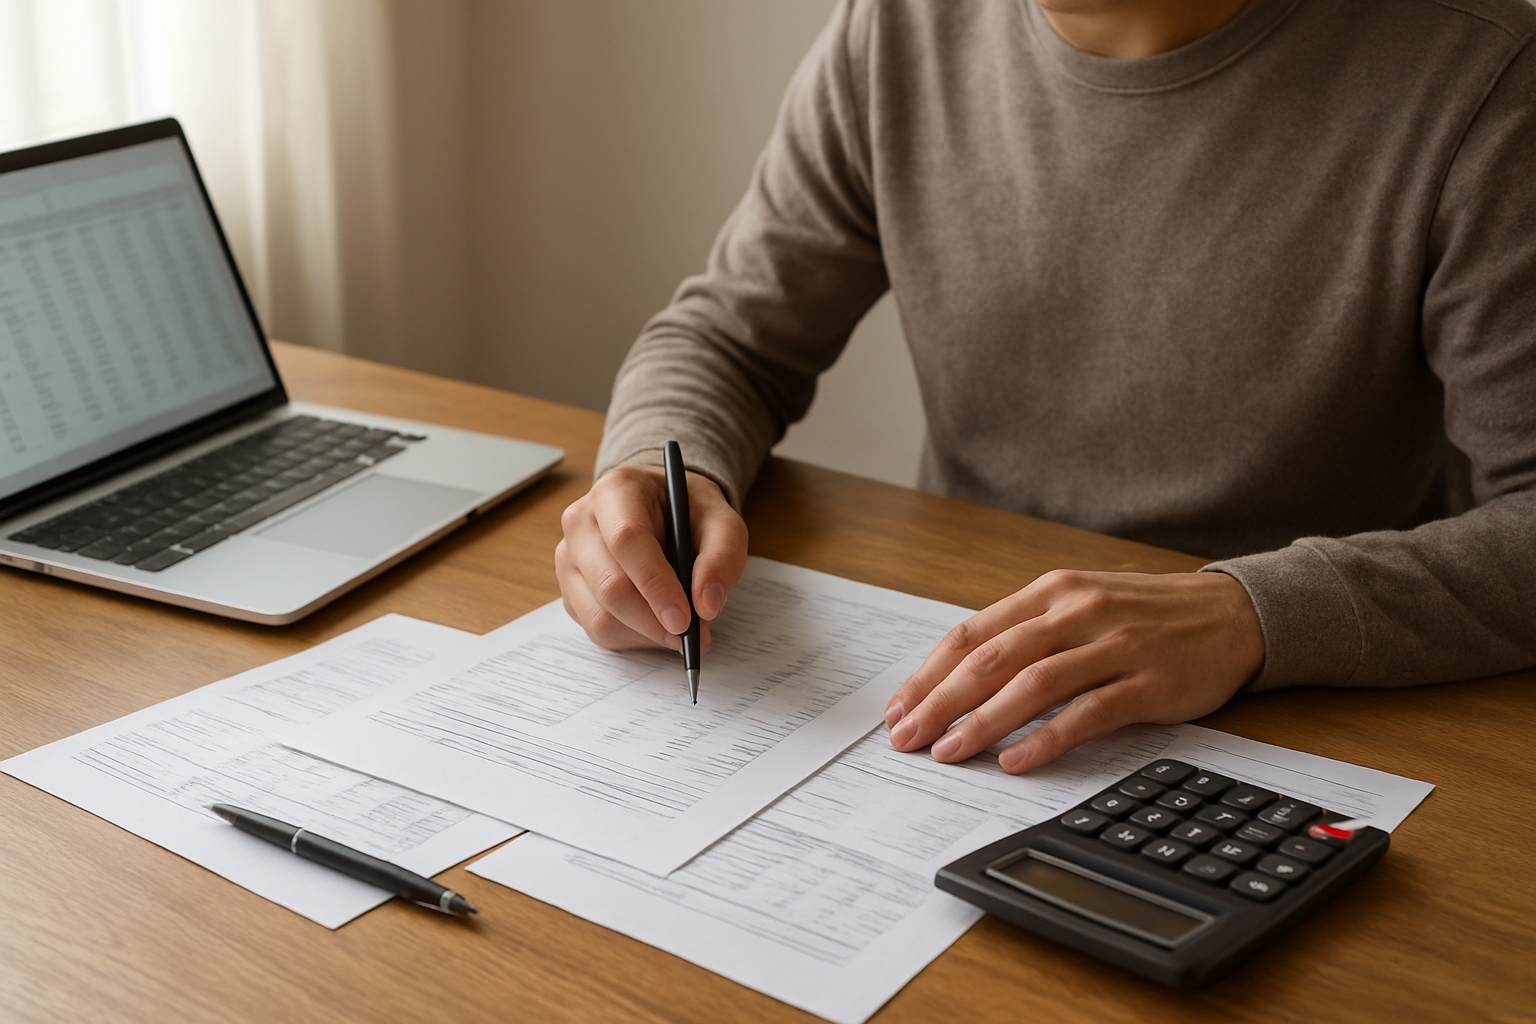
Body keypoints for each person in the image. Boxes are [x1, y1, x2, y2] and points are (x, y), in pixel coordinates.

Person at [556, 0, 1536, 774]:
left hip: (1329, 720)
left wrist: (1251, 612)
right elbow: (728, 336)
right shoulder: (897, 29)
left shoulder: (1477, 76)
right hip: (961, 686)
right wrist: (655, 466)